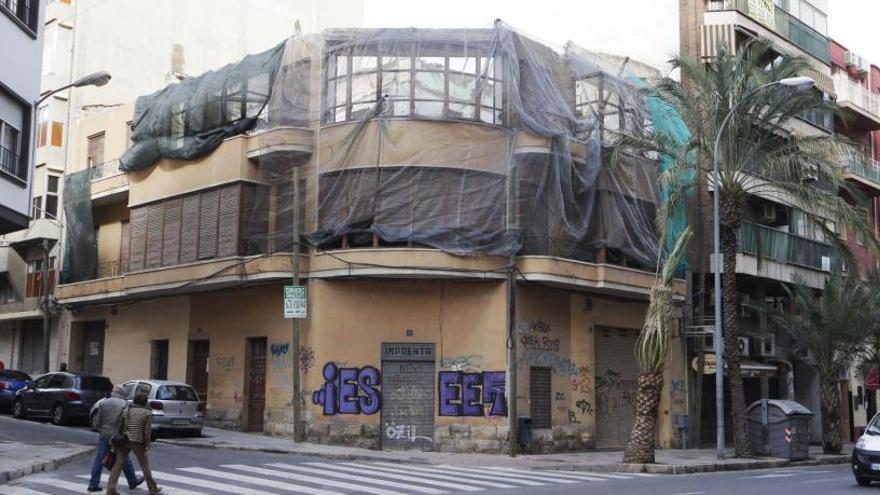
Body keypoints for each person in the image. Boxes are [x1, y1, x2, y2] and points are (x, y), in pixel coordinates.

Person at [88, 385, 143, 492]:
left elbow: (96, 422)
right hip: (118, 436)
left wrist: (101, 430)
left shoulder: (103, 403)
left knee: (99, 459)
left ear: (113, 392)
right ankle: (132, 481)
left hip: (104, 435)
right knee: (124, 458)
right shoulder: (125, 404)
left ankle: (93, 484)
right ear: (122, 393)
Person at [106, 390, 161, 494]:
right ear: (145, 402)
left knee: (118, 465)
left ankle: (111, 488)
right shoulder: (147, 413)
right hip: (138, 442)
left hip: (124, 440)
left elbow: (119, 425)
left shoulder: (126, 410)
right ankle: (153, 489)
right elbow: (147, 432)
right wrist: (147, 446)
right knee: (145, 466)